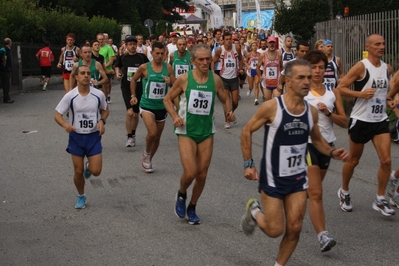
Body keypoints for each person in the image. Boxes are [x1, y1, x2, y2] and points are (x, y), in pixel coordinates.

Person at [240, 59, 348, 266]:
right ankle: (254, 210)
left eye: (309, 77)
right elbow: (246, 130)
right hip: (273, 177)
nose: (307, 81)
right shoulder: (272, 107)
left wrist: (333, 152)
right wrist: (249, 164)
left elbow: (317, 140)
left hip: (298, 178)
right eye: (301, 77)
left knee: (295, 227)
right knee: (274, 230)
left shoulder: (311, 112)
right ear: (288, 81)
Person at [163, 44, 236, 224]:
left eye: (207, 59)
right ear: (193, 61)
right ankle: (181, 194)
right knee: (190, 172)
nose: (205, 62)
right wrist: (174, 116)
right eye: (201, 59)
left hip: (206, 131)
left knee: (202, 175)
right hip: (186, 130)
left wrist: (229, 111)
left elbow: (225, 98)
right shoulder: (184, 79)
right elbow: (167, 99)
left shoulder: (216, 79)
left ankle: (193, 206)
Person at [337, 34, 395, 216]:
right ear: (368, 47)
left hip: (380, 120)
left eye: (383, 43)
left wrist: (388, 99)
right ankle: (344, 191)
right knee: (353, 161)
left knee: (386, 160)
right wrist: (361, 95)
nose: (381, 47)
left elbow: (382, 92)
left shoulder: (387, 68)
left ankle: (380, 199)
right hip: (361, 120)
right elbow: (341, 87)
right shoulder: (361, 67)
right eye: (377, 44)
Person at [303, 50, 347, 252]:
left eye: (321, 67)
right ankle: (323, 236)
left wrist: (328, 112)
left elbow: (345, 122)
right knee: (316, 194)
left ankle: (283, 205)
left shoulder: (333, 92)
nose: (318, 71)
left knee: (308, 192)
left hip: (327, 147)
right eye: (314, 67)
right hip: (307, 145)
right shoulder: (300, 92)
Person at [54, 65, 109, 209]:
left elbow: (105, 110)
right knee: (78, 172)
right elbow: (57, 115)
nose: (86, 75)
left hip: (93, 137)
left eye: (88, 73)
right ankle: (81, 196)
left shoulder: (98, 94)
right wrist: (66, 125)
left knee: (96, 171)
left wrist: (102, 121)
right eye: (83, 73)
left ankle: (89, 166)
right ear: (76, 77)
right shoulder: (70, 96)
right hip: (76, 138)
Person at [130, 42, 175, 173]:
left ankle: (148, 157)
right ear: (152, 53)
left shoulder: (168, 68)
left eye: (162, 53)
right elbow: (133, 80)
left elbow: (176, 85)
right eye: (157, 53)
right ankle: (147, 153)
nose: (160, 56)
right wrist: (133, 95)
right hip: (147, 105)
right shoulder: (144, 67)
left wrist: (170, 81)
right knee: (153, 132)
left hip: (162, 106)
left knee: (157, 137)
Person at [115, 36, 149, 148]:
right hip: (126, 87)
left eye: (134, 44)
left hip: (139, 87)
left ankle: (133, 135)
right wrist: (118, 74)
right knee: (129, 112)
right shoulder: (122, 57)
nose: (132, 46)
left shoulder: (142, 57)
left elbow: (148, 69)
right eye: (130, 44)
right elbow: (118, 66)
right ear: (126, 45)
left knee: (135, 114)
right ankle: (129, 136)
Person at [212, 31, 242, 129]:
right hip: (223, 78)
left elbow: (241, 59)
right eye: (227, 39)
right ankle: (227, 120)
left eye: (230, 39)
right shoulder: (220, 50)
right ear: (223, 40)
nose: (229, 41)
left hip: (234, 78)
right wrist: (212, 73)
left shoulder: (236, 48)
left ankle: (230, 113)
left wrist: (241, 68)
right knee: (227, 101)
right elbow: (213, 61)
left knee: (235, 102)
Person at [257, 36, 282, 102]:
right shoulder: (263, 55)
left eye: (273, 43)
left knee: (277, 102)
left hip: (276, 83)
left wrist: (281, 81)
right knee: (268, 101)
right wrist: (259, 76)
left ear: (275, 44)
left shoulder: (279, 55)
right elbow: (257, 67)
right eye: (270, 43)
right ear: (267, 44)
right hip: (266, 83)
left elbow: (281, 67)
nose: (272, 44)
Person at [97, 33, 115, 103]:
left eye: (102, 39)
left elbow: (111, 60)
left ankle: (106, 97)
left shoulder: (108, 48)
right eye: (99, 39)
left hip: (107, 69)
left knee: (105, 86)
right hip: (97, 70)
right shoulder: (94, 48)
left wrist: (103, 67)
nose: (100, 41)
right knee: (99, 86)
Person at [0, 38, 14, 103]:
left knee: (7, 84)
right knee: (6, 84)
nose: (11, 43)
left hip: (7, 69)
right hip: (4, 69)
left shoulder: (8, 49)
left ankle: (7, 97)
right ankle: (6, 98)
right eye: (11, 42)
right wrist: (3, 62)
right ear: (9, 43)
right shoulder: (3, 49)